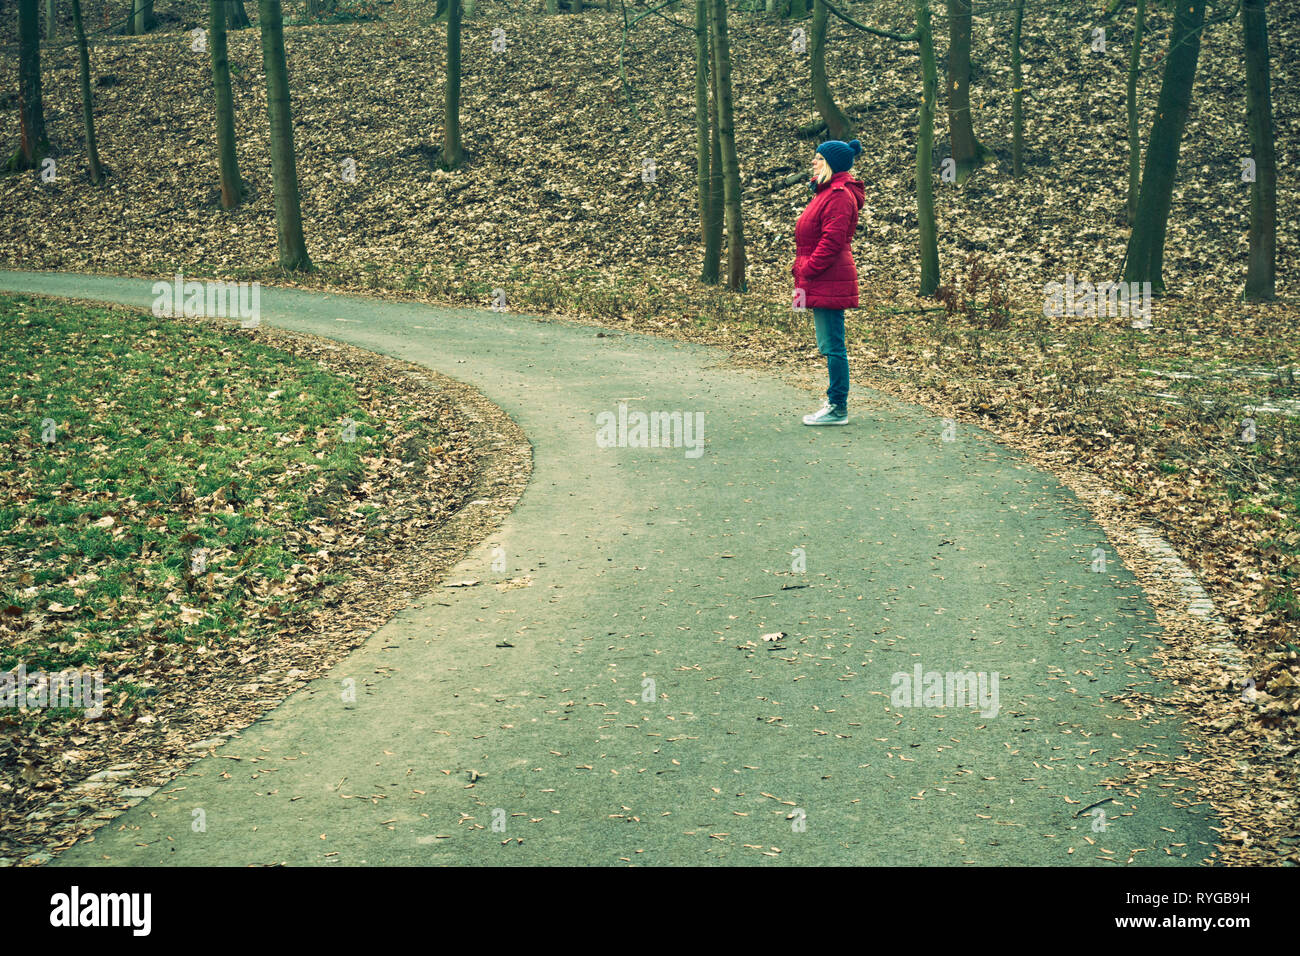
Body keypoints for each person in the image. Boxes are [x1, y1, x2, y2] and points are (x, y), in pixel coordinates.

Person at [792, 139, 866, 425]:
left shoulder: (838, 195)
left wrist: (809, 269)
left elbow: (832, 241)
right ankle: (836, 402)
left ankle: (837, 407)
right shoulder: (825, 192)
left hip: (828, 276)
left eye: (819, 158)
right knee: (828, 343)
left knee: (833, 344)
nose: (814, 162)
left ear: (832, 163)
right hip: (821, 276)